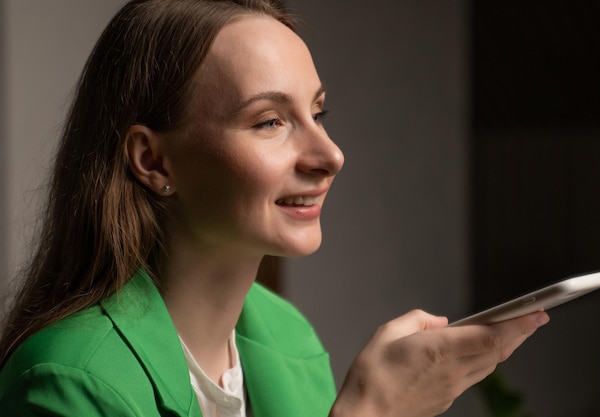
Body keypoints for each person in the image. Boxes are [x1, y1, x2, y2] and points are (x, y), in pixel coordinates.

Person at [0, 1, 550, 416]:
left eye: (318, 113)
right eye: (270, 121)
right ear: (154, 161)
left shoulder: (288, 335)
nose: (330, 155)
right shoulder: (70, 380)